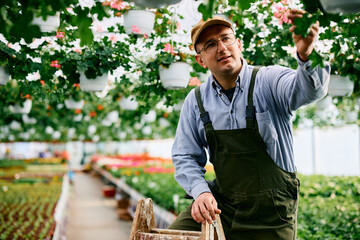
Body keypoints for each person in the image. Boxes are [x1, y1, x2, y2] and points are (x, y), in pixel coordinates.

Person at [168, 9, 330, 239]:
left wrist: (306, 54)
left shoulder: (268, 80)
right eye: (211, 44)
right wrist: (201, 192)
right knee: (169, 236)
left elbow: (309, 91)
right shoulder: (196, 101)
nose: (222, 48)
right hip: (222, 207)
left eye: (226, 38)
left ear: (238, 44)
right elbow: (184, 155)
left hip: (271, 212)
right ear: (200, 59)